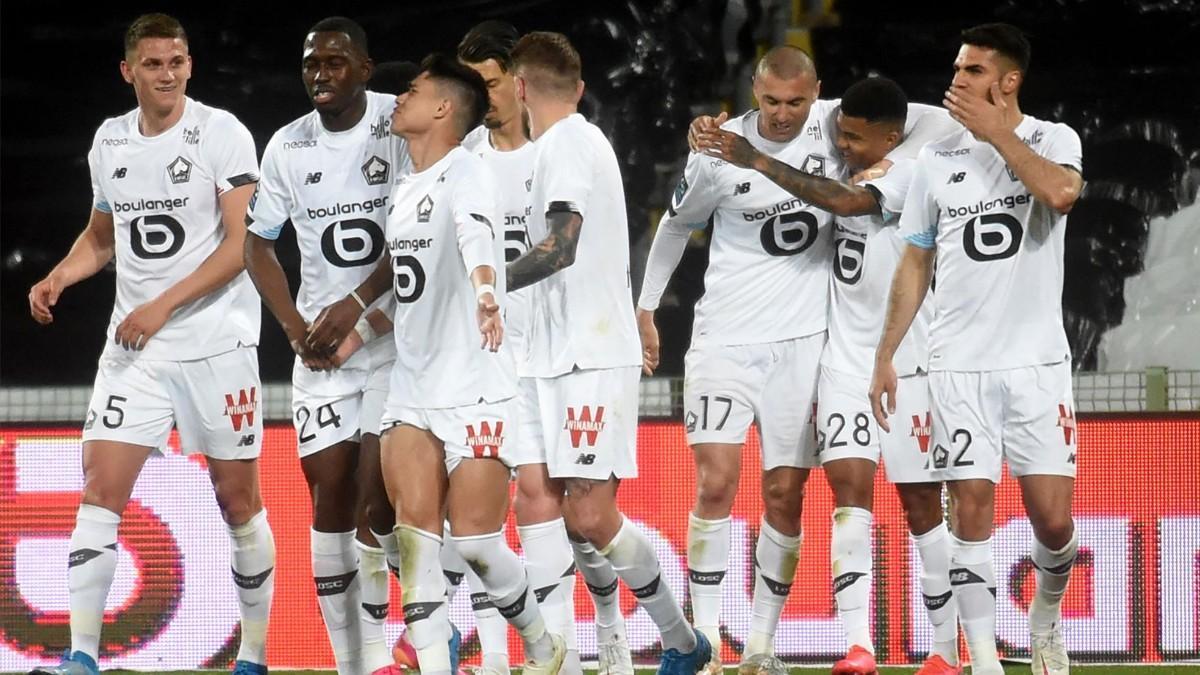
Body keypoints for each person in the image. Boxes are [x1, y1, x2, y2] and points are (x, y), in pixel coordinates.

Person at [27, 13, 272, 675]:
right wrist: (59, 274)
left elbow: (241, 245)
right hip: (135, 350)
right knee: (100, 490)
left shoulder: (221, 133)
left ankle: (252, 655)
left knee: (238, 501)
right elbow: (103, 236)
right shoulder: (109, 141)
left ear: (190, 65)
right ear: (128, 70)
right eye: (154, 64)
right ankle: (81, 655)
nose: (168, 74)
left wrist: (161, 304)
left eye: (178, 62)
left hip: (216, 346)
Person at [309, 53, 567, 675]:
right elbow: (410, 288)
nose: (399, 97)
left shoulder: (468, 172)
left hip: (478, 388)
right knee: (415, 542)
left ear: (444, 108)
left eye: (413, 90)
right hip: (413, 390)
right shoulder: (405, 190)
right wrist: (359, 334)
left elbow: (479, 237)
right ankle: (433, 662)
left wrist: (486, 292)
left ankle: (539, 638)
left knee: (476, 542)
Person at [696, 77, 962, 674]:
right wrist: (723, 129)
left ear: (892, 136)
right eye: (838, 132)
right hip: (843, 363)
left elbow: (846, 202)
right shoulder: (843, 165)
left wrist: (755, 158)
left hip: (911, 365)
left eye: (855, 137)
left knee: (922, 507)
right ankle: (859, 646)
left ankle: (946, 649)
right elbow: (787, 109)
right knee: (848, 499)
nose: (841, 144)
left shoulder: (906, 175)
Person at [869, 23, 1083, 675]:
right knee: (969, 508)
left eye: (972, 71)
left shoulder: (1053, 139)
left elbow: (1061, 193)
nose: (956, 80)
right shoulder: (935, 164)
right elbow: (913, 264)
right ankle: (985, 659)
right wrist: (886, 353)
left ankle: (1044, 621)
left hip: (1036, 365)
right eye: (956, 69)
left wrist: (996, 132)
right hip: (956, 365)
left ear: (1008, 81)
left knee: (1052, 522)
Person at [504, 31, 711, 675]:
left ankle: (681, 640)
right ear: (580, 84)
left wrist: (487, 281)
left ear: (518, 88)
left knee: (592, 514)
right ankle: (558, 658)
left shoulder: (570, 141)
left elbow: (563, 244)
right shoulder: (552, 148)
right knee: (534, 502)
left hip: (589, 358)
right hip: (542, 358)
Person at [242, 17, 406, 675]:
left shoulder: (401, 122)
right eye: (311, 63)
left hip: (392, 341)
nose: (320, 73)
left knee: (380, 499)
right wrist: (292, 328)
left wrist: (358, 304)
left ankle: (433, 623)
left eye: (335, 62)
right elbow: (257, 245)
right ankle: (355, 665)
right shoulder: (287, 146)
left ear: (366, 68)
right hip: (322, 354)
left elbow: (424, 226)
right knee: (330, 501)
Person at [457, 19, 579, 675]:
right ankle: (503, 656)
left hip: (555, 346)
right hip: (485, 351)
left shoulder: (560, 151)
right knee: (480, 508)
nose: (484, 96)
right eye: (471, 85)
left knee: (546, 496)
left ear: (519, 79)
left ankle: (559, 646)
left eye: (492, 82)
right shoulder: (462, 157)